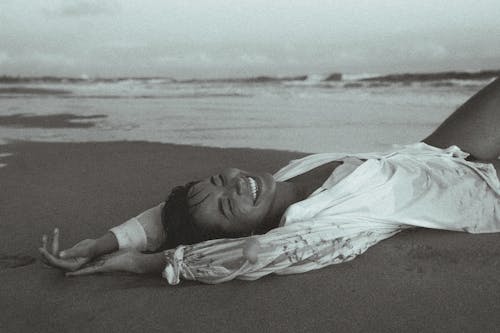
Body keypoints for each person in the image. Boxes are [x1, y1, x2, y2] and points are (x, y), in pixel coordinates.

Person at [39, 78, 500, 284]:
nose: (235, 185)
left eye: (222, 178)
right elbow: (248, 258)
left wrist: (104, 241)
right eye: (226, 206)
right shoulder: (310, 230)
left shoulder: (284, 178)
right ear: (248, 230)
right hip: (479, 192)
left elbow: (167, 216)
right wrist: (139, 264)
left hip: (434, 153)